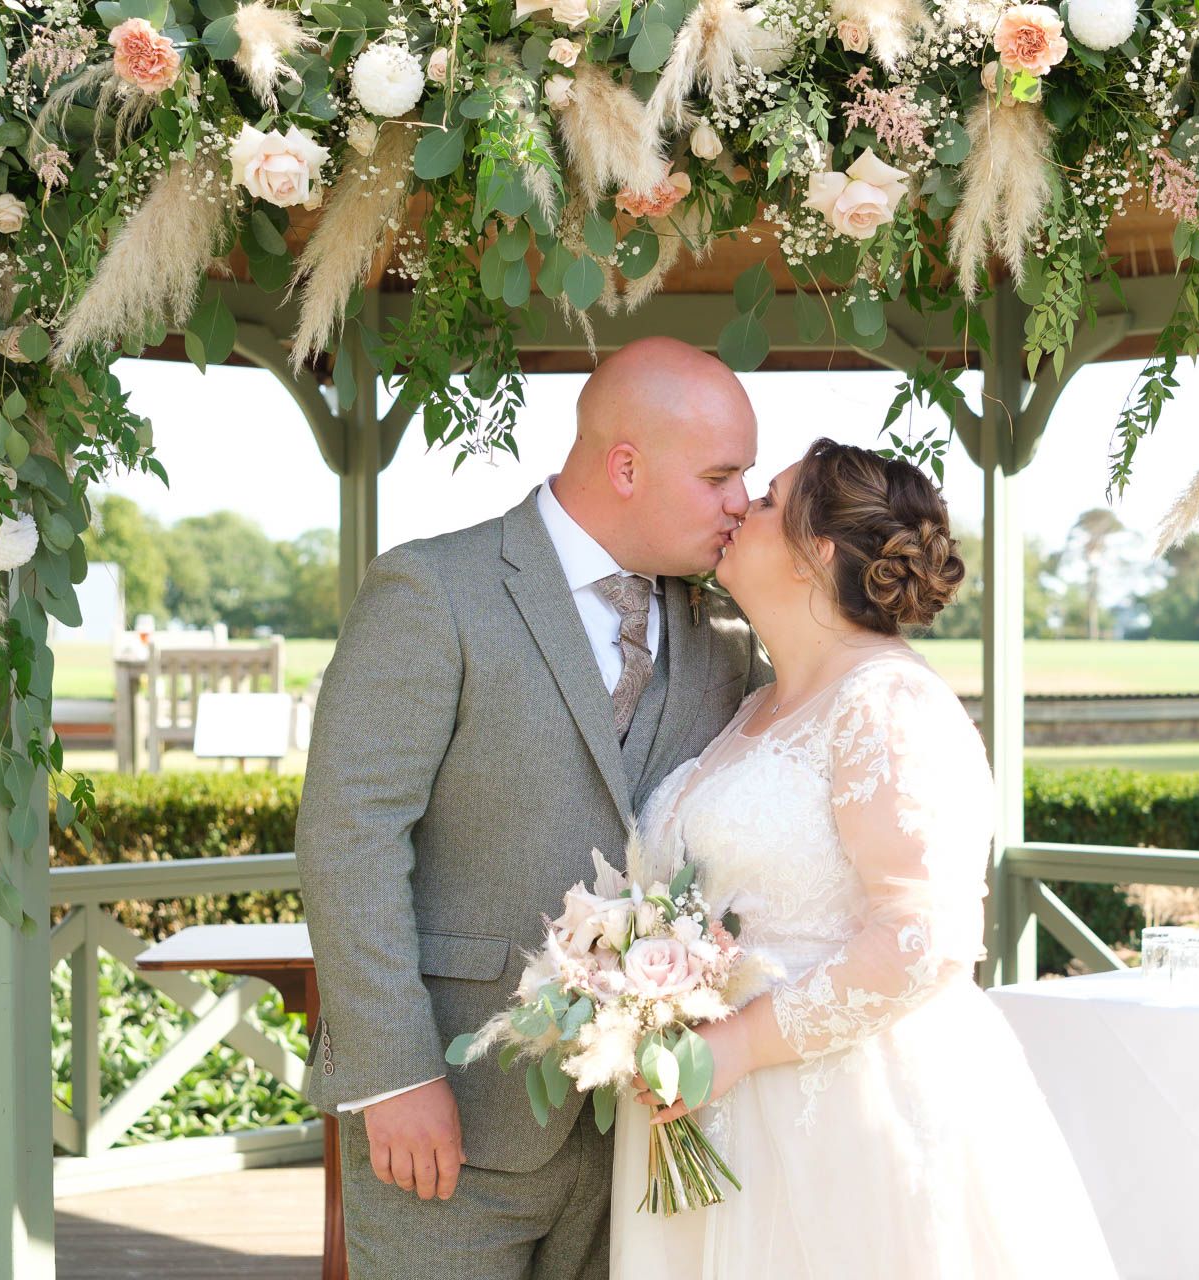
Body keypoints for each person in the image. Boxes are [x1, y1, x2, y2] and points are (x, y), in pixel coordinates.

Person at [296, 336, 769, 1279]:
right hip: (453, 1115)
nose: (742, 504)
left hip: (645, 1128)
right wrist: (395, 1073)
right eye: (722, 475)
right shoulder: (433, 591)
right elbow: (349, 837)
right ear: (625, 465)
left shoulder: (721, 633)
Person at [610, 438, 1118, 1278]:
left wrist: (732, 1047)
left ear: (819, 551)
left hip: (850, 1117)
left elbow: (927, 938)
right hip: (717, 1121)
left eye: (767, 499)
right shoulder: (754, 708)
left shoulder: (889, 703)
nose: (739, 506)